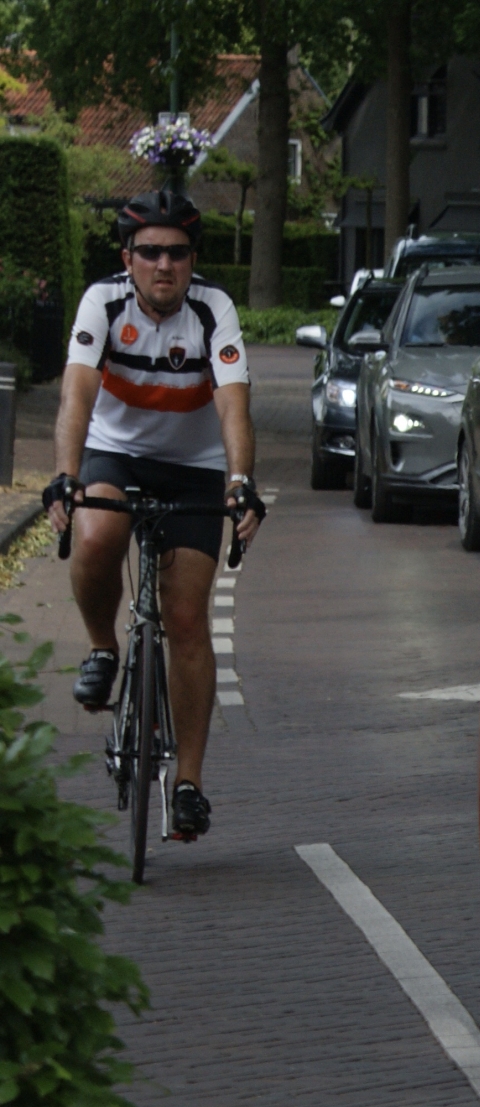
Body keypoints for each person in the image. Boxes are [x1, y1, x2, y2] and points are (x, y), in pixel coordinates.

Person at [41, 190, 262, 841]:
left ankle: (187, 782)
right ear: (127, 258)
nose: (164, 265)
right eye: (150, 253)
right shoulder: (101, 302)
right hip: (117, 454)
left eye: (178, 253)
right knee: (98, 530)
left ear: (193, 259)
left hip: (192, 466)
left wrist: (240, 482)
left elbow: (233, 406)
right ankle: (104, 647)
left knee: (187, 615)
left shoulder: (213, 309)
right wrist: (66, 473)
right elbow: (76, 395)